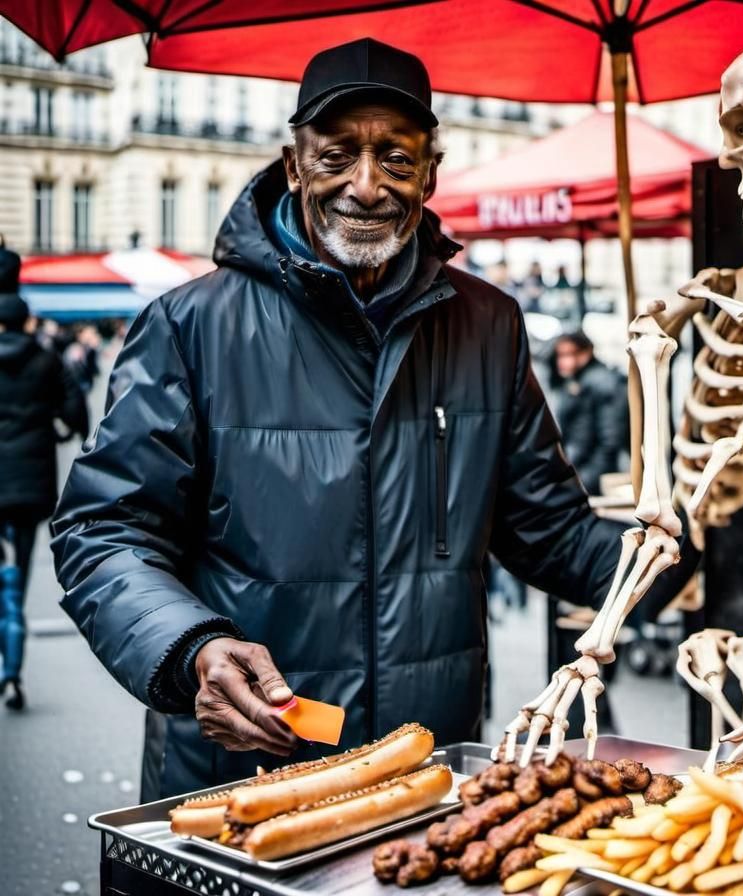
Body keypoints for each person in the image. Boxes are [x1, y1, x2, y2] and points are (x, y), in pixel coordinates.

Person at [52, 39, 693, 800]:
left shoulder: (488, 324)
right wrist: (193, 647)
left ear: (429, 173)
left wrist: (673, 555)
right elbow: (104, 530)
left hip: (424, 772)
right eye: (336, 156)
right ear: (295, 165)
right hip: (245, 772)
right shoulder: (190, 325)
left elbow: (548, 532)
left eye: (395, 157)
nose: (366, 185)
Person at [0, 245, 88, 710]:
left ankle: (8, 664)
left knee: (5, 582)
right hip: (31, 487)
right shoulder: (47, 359)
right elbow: (75, 413)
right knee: (15, 573)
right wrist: (53, 430)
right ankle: (13, 669)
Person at [549, 330, 628, 496]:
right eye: (560, 355)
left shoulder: (603, 383)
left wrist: (583, 482)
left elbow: (610, 441)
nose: (562, 361)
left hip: (595, 479)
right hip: (583, 473)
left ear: (586, 352)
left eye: (569, 354)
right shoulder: (579, 381)